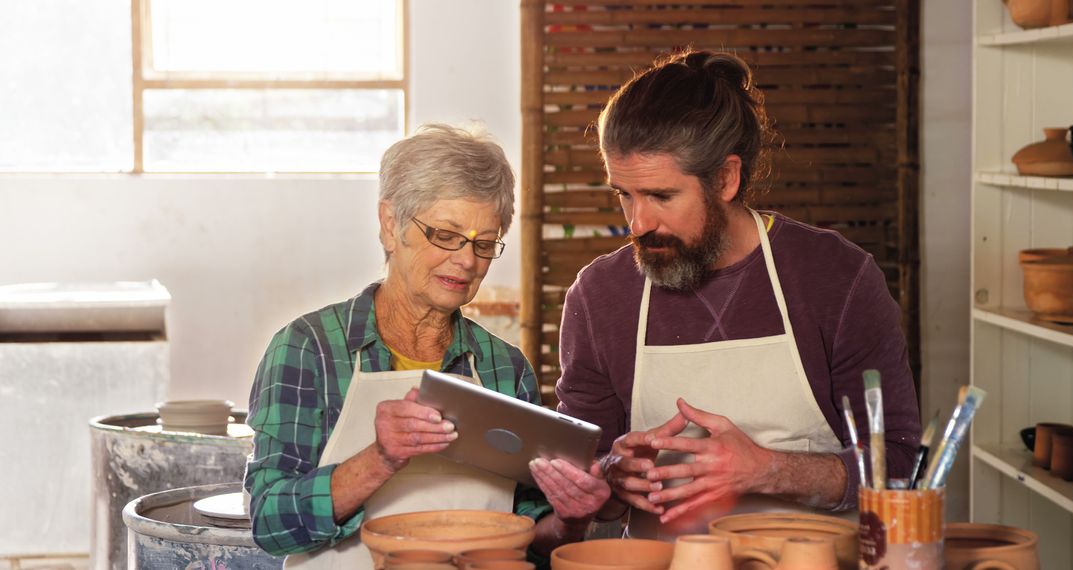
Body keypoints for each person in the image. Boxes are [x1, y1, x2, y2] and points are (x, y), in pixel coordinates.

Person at [555, 50, 921, 540]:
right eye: (624, 194)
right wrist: (610, 477)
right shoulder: (600, 295)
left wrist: (770, 469)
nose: (638, 223)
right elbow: (580, 472)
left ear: (726, 178)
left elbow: (900, 463)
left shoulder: (836, 278)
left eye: (662, 196)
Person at [244, 124, 609, 568]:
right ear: (389, 225)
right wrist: (379, 459)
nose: (468, 260)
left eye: (484, 242)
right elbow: (269, 522)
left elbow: (529, 536)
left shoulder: (503, 367)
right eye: (446, 235)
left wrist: (570, 521)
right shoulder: (309, 349)